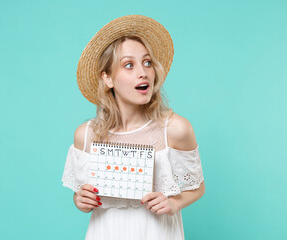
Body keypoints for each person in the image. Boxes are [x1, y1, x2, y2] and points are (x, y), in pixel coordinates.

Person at [62, 15, 205, 240]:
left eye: (147, 62)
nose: (143, 72)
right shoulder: (86, 135)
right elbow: (81, 196)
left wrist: (174, 203)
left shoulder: (176, 129)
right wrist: (80, 200)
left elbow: (198, 187)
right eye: (129, 65)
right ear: (107, 78)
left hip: (157, 233)